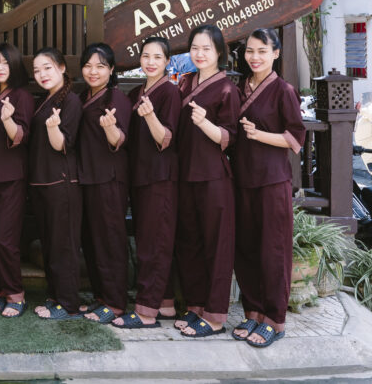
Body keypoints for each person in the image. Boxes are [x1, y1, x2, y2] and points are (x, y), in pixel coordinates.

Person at [232, 28, 305, 348]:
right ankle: (253, 312)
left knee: (273, 252)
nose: (255, 57)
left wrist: (258, 135)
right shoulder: (239, 87)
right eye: (250, 51)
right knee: (246, 249)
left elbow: (295, 139)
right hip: (242, 178)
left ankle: (274, 320)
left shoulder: (283, 90)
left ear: (275, 53)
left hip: (272, 181)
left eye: (262, 51)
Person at [174, 24, 241, 338]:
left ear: (219, 53)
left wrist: (204, 123)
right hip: (185, 173)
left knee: (217, 245)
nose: (199, 54)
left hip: (213, 176)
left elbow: (230, 137)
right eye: (195, 48)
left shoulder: (227, 89)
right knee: (190, 242)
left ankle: (215, 316)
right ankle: (196, 305)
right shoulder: (185, 82)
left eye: (206, 49)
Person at [113, 37, 181, 329]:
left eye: (157, 57)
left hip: (161, 178)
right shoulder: (135, 93)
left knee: (155, 244)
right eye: (145, 56)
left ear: (167, 62)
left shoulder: (170, 92)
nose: (150, 62)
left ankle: (146, 312)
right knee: (151, 240)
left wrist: (151, 116)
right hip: (141, 177)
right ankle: (164, 304)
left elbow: (165, 138)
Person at [76, 42, 132, 324]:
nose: (93, 71)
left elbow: (119, 139)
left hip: (109, 179)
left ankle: (115, 302)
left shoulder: (116, 98)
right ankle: (101, 297)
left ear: (111, 70)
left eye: (100, 66)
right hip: (87, 177)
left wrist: (110, 129)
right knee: (93, 240)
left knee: (110, 240)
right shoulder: (82, 96)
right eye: (88, 66)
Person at [29, 47, 83, 320]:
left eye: (47, 68)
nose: (42, 74)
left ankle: (68, 303)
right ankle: (55, 297)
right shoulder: (44, 99)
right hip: (42, 182)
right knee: (50, 244)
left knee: (64, 245)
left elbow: (62, 144)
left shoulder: (70, 101)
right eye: (37, 70)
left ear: (62, 67)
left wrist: (52, 127)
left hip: (61, 182)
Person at [0, 43, 33, 318]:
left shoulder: (21, 95)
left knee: (5, 238)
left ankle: (16, 293)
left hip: (12, 176)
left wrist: (7, 120)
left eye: (5, 62)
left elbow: (21, 135)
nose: (0, 67)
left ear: (14, 65)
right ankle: (2, 290)